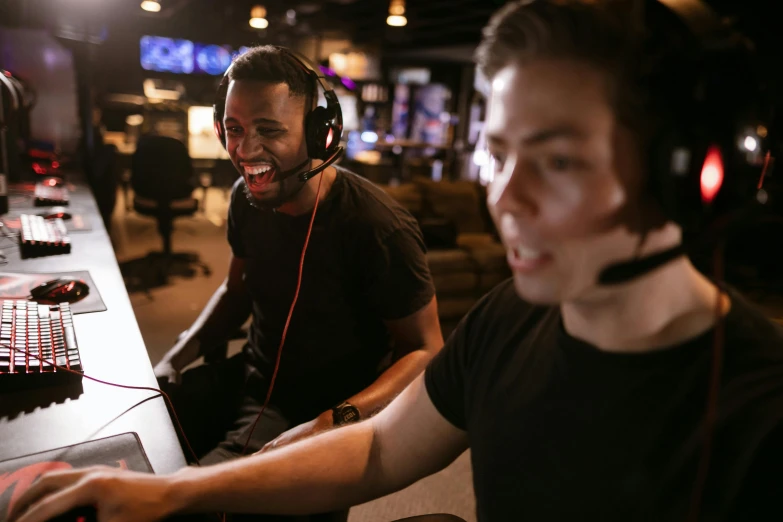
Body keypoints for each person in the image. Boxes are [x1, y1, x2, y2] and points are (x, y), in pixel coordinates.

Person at [10, 1, 783, 521]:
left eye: (556, 160)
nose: (503, 198)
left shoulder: (757, 418)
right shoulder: (512, 317)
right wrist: (174, 493)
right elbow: (379, 446)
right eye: (500, 154)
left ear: (691, 172)